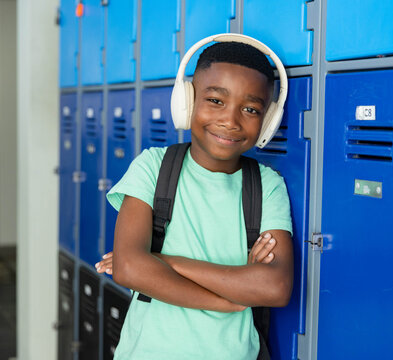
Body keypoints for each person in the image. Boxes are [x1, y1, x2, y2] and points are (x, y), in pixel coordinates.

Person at [94, 40, 293, 359]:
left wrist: (162, 260)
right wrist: (227, 299)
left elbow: (274, 288)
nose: (231, 121)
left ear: (267, 121)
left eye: (251, 109)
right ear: (186, 101)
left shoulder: (266, 186)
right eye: (215, 100)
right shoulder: (153, 167)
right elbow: (129, 268)